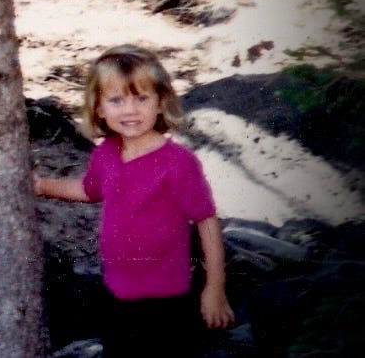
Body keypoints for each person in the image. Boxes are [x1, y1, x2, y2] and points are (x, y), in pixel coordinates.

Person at [34, 44, 234, 357]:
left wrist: (215, 288)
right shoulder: (106, 153)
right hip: (117, 291)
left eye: (141, 98)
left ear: (160, 102)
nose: (130, 110)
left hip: (168, 297)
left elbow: (206, 220)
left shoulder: (177, 162)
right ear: (99, 108)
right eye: (116, 100)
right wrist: (42, 185)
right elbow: (89, 190)